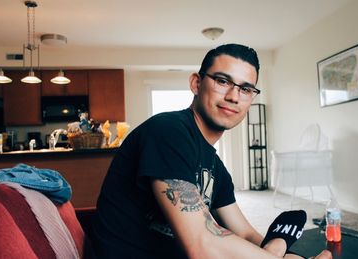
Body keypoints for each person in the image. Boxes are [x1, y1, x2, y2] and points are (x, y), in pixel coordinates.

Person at [92, 43, 332, 259]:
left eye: (246, 89)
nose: (233, 96)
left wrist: (281, 252)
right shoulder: (167, 132)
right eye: (222, 81)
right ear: (197, 84)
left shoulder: (216, 168)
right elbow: (202, 245)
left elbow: (246, 234)